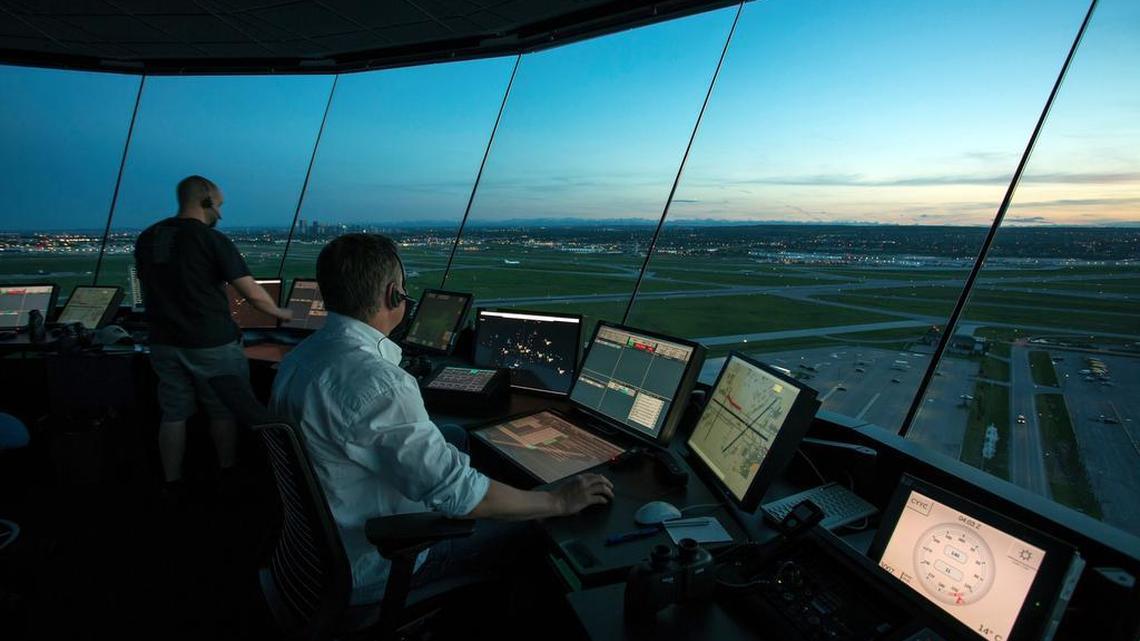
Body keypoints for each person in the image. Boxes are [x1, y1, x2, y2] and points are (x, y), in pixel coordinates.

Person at [269, 233, 614, 605]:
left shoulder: (300, 359)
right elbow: (462, 498)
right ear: (393, 296)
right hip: (379, 562)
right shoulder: (382, 384)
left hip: (319, 545)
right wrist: (557, 501)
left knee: (452, 435)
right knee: (535, 531)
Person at [134, 175, 292, 496]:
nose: (219, 214)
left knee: (173, 413)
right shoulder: (210, 240)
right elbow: (251, 293)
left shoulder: (148, 237)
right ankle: (227, 474)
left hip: (163, 343)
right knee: (223, 409)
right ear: (205, 201)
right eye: (218, 206)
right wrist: (284, 314)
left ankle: (171, 483)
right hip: (211, 343)